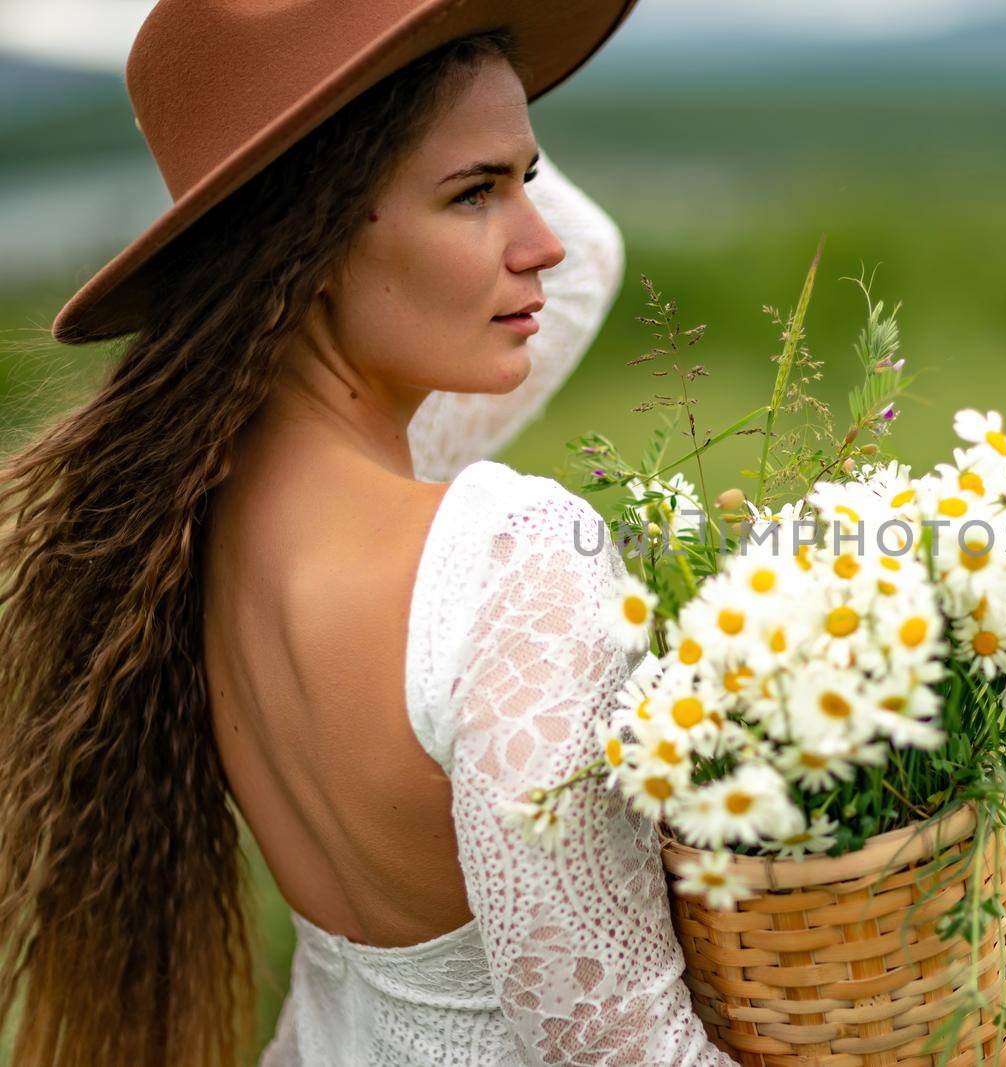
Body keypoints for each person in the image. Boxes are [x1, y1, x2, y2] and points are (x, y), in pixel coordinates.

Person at [0, 2, 739, 1064]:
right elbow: (619, 1045)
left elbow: (579, 270)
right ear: (308, 232)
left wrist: (402, 49)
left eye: (525, 180)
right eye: (475, 194)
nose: (543, 244)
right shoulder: (510, 560)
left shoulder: (185, 531)